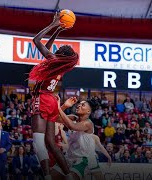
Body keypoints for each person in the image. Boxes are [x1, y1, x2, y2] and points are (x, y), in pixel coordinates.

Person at [29, 12, 79, 180]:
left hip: (42, 98)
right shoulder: (61, 65)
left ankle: (47, 176)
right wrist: (58, 29)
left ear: (60, 55)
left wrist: (53, 24)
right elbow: (48, 48)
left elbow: (36, 41)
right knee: (51, 143)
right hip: (51, 100)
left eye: (58, 50)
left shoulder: (53, 59)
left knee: (38, 140)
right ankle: (68, 176)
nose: (54, 50)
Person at [51, 96, 101, 180]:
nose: (78, 106)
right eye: (79, 104)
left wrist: (59, 108)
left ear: (88, 111)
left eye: (83, 105)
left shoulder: (88, 123)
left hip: (82, 159)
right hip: (68, 157)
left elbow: (72, 126)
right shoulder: (74, 117)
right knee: (51, 177)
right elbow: (55, 118)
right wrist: (65, 106)